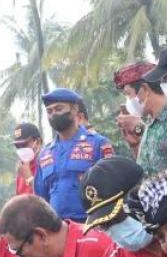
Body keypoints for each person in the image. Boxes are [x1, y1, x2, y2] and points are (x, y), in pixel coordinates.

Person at [33, 88, 115, 222]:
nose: (54, 114)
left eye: (59, 109)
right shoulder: (45, 154)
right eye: (49, 111)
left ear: (75, 109)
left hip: (91, 225)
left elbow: (112, 188)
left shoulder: (98, 144)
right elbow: (40, 199)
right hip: (58, 228)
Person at [12, 123, 43, 196]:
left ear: (38, 142)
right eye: (17, 146)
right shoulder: (21, 169)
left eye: (23, 145)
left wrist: (29, 177)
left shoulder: (47, 164)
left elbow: (48, 196)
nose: (21, 149)